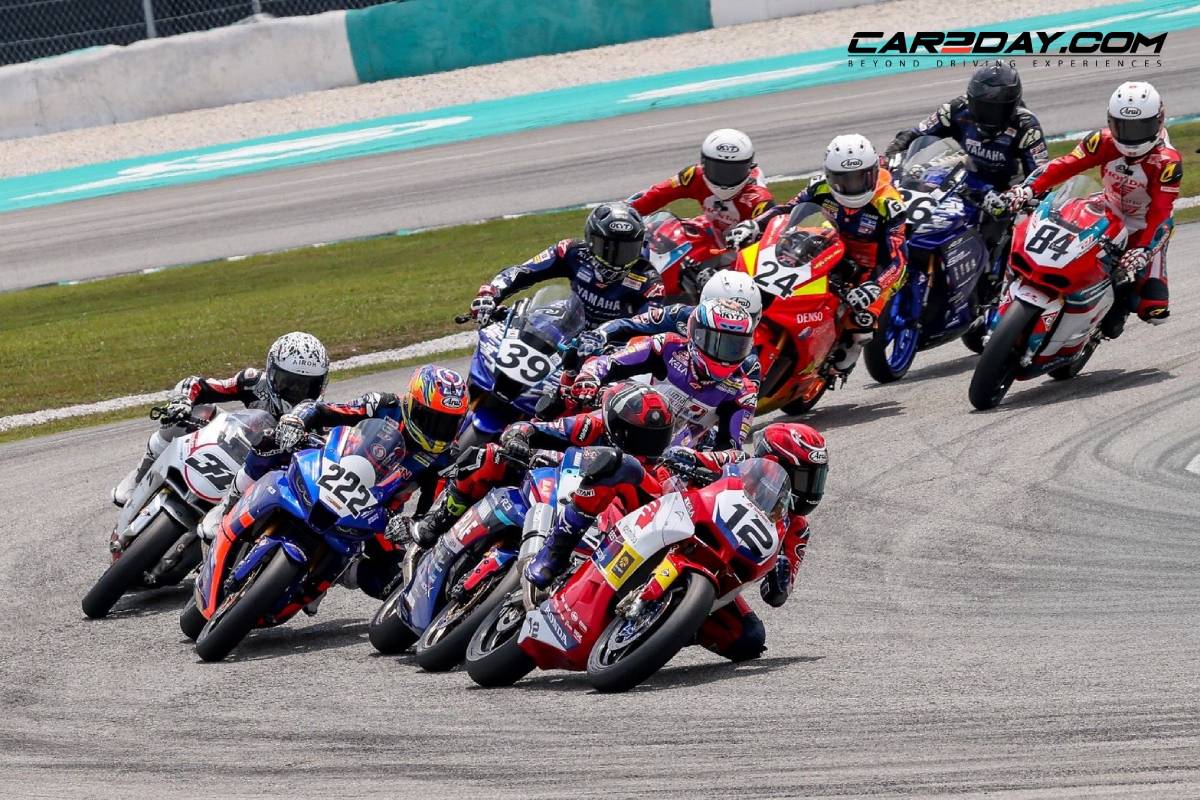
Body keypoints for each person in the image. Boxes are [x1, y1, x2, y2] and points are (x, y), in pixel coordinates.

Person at [206, 365, 469, 601]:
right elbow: (323, 409)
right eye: (431, 418)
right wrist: (296, 421)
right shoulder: (382, 404)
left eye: (448, 423)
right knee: (270, 441)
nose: (438, 430)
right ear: (410, 403)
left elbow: (433, 509)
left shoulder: (444, 459)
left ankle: (339, 573)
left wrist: (412, 526)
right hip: (329, 467)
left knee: (396, 578)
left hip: (375, 512)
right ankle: (229, 504)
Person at [1000, 81, 1180, 338]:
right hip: (1105, 208)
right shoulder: (1102, 140)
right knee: (1046, 236)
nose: (1130, 136)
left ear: (1158, 121)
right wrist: (1028, 189)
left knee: (1153, 308)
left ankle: (1112, 307)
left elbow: (1161, 213)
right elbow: (1065, 165)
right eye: (1123, 127)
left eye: (1140, 127)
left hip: (1144, 225)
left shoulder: (1167, 163)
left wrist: (1143, 249)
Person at [727, 134, 907, 376]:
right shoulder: (819, 186)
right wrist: (755, 224)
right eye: (843, 179)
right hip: (828, 247)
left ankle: (848, 353)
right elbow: (786, 209)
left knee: (861, 324)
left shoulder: (889, 204)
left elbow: (898, 259)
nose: (852, 186)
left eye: (859, 178)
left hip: (871, 266)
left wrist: (875, 286)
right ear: (830, 175)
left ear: (873, 173)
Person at [111, 331, 329, 507]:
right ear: (271, 372)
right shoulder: (254, 383)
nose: (296, 391)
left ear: (321, 385)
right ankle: (139, 475)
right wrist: (182, 401)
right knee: (199, 411)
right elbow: (198, 384)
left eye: (307, 386)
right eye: (287, 382)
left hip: (260, 477)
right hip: (231, 446)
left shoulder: (323, 420)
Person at [686, 422, 829, 662]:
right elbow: (697, 459)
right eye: (804, 478)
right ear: (775, 464)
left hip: (716, 578)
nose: (810, 490)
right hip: (683, 530)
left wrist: (781, 579)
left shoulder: (797, 528)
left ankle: (665, 631)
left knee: (749, 638)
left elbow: (777, 596)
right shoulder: (738, 461)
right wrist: (687, 460)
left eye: (817, 479)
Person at [570, 298, 759, 449]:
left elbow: (732, 450)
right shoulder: (667, 346)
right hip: (623, 425)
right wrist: (590, 377)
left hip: (670, 460)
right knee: (572, 421)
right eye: (718, 343)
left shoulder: (743, 392)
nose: (726, 356)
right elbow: (610, 362)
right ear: (697, 334)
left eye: (735, 346)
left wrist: (701, 460)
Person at [468, 202, 664, 327]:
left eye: (626, 250)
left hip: (608, 352)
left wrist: (611, 341)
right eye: (608, 248)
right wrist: (490, 294)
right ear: (591, 240)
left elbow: (649, 328)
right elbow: (524, 271)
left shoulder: (648, 281)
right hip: (566, 331)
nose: (617, 259)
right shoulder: (571, 251)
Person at [884, 62, 1048, 192]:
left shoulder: (1027, 127)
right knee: (918, 175)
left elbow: (1040, 178)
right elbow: (914, 134)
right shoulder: (956, 109)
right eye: (982, 106)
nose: (988, 114)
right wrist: (891, 155)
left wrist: (1020, 196)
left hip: (1008, 186)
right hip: (968, 176)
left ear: (1012, 105)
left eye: (995, 109)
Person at [575, 270, 764, 380]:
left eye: (744, 316)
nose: (733, 321)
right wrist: (599, 335)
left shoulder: (749, 364)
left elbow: (739, 412)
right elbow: (630, 324)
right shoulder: (679, 314)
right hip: (642, 383)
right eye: (723, 311)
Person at [627, 129, 775, 246]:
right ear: (703, 163)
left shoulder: (758, 198)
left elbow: (773, 231)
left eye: (733, 171)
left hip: (743, 246)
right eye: (717, 169)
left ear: (749, 167)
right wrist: (628, 211)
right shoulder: (693, 176)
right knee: (664, 235)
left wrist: (753, 230)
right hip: (711, 230)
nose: (725, 177)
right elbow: (658, 194)